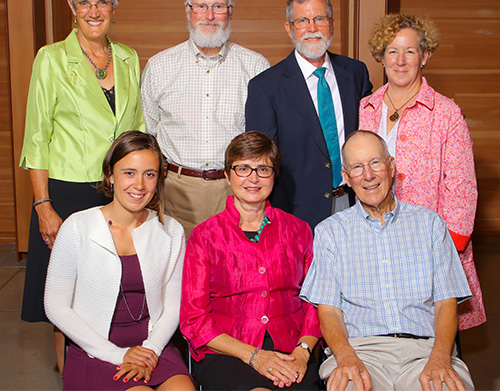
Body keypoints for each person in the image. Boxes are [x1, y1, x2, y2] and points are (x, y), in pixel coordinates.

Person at [19, 0, 145, 372]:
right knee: (66, 295)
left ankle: (110, 369)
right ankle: (73, 378)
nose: (94, 11)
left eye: (102, 2)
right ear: (71, 8)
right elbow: (36, 136)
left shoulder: (128, 58)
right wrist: (43, 204)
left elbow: (138, 128)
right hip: (67, 193)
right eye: (84, 3)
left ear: (116, 7)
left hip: (119, 192)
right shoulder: (51, 59)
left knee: (111, 286)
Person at [301, 130, 475, 391]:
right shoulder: (330, 233)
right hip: (361, 352)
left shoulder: (430, 224)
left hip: (425, 351)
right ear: (346, 178)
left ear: (391, 166)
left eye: (375, 163)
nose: (368, 175)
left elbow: (446, 303)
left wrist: (440, 357)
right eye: (357, 168)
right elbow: (329, 311)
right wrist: (346, 356)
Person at [358, 13, 485, 330]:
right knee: (384, 334)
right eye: (392, 51)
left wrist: (443, 252)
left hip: (429, 248)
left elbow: (462, 191)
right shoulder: (367, 107)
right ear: (381, 56)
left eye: (410, 51)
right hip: (375, 242)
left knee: (435, 343)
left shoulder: (445, 113)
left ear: (425, 56)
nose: (400, 61)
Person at [44, 131, 194, 391]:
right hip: (96, 348)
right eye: (129, 173)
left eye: (149, 174)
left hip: (153, 345)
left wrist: (150, 350)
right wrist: (118, 354)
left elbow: (173, 307)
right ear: (110, 175)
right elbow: (55, 306)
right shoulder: (77, 227)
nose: (139, 184)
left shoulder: (171, 230)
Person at [180, 131, 322, 391]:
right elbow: (194, 320)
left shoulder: (299, 230)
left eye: (263, 169)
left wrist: (303, 351)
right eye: (243, 168)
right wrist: (254, 356)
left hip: (291, 351)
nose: (253, 178)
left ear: (274, 175)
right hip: (228, 352)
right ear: (227, 174)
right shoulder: (205, 236)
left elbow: (316, 303)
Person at [141, 0, 270, 237]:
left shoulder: (256, 67)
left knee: (235, 273)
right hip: (176, 192)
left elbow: (263, 139)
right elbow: (149, 132)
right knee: (178, 274)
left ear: (230, 12)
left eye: (219, 7)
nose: (209, 15)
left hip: (235, 191)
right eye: (200, 6)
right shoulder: (159, 66)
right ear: (188, 12)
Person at [246, 0, 372, 231]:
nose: (312, 28)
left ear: (332, 24)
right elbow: (260, 162)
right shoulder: (265, 87)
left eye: (320, 19)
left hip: (355, 202)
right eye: (302, 20)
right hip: (296, 214)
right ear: (288, 27)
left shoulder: (355, 73)